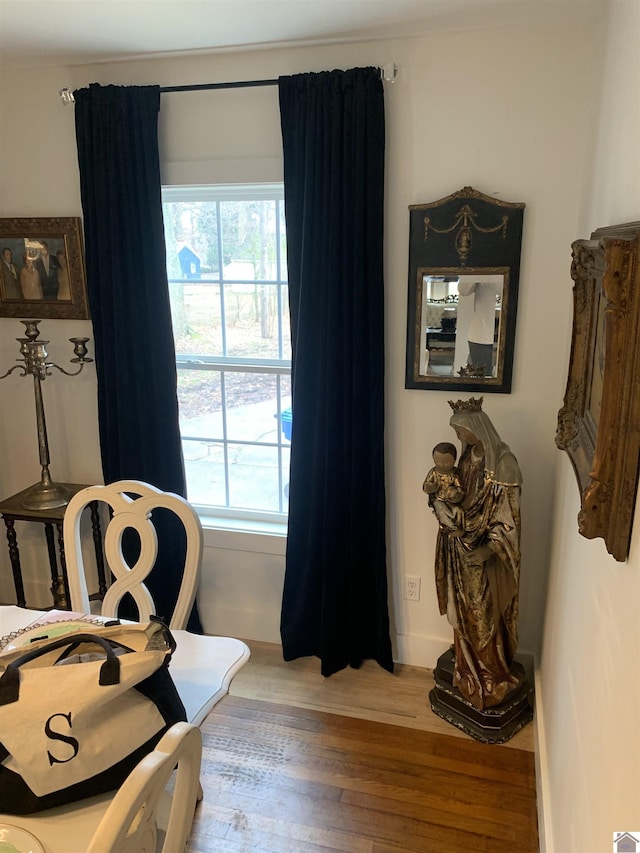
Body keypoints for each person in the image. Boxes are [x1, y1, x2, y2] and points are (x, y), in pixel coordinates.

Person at [432, 396, 522, 710]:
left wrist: (489, 549)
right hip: (459, 545)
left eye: (461, 431)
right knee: (463, 609)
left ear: (475, 428)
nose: (459, 439)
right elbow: (455, 493)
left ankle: (492, 670)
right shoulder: (468, 459)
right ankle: (466, 664)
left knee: (484, 610)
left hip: (484, 552)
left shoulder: (504, 464)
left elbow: (507, 518)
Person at [457, 280, 501, 377]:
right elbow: (463, 290)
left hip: (510, 330)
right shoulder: (483, 271)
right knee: (481, 380)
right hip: (482, 335)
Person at [422, 442, 465, 535]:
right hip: (437, 499)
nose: (441, 465)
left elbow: (459, 487)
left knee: (458, 510)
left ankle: (458, 527)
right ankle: (450, 526)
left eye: (446, 462)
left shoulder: (455, 473)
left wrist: (457, 495)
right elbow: (426, 485)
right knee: (441, 510)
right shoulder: (434, 472)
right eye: (437, 461)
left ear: (454, 460)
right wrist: (430, 487)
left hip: (451, 500)